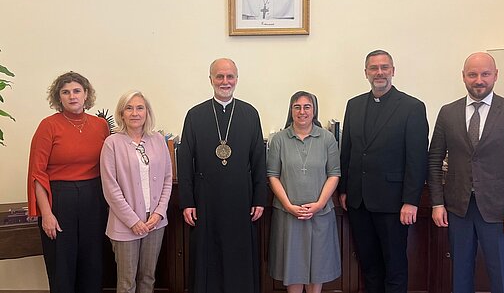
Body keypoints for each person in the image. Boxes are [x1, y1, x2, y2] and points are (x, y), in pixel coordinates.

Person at [428, 52, 504, 293]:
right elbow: (434, 160)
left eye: (485, 74)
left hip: (500, 213)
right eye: (473, 74)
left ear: (495, 75)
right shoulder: (448, 113)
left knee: (501, 277)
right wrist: (437, 203)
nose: (479, 80)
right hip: (458, 210)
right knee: (460, 275)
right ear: (464, 77)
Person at [338, 50, 429, 293]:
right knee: (369, 265)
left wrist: (411, 201)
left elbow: (417, 159)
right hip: (359, 202)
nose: (379, 73)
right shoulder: (354, 105)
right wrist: (345, 189)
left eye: (384, 67)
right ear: (366, 72)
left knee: (395, 266)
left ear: (393, 71)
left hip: (394, 204)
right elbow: (347, 150)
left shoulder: (412, 107)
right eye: (374, 68)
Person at [177, 58, 267, 293]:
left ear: (236, 79)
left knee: (239, 255)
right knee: (208, 257)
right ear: (210, 79)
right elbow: (185, 160)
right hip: (206, 200)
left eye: (230, 77)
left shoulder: (249, 113)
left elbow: (259, 159)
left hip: (241, 199)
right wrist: (187, 201)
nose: (225, 82)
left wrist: (259, 198)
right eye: (219, 76)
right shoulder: (195, 115)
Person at [27, 71, 110, 293]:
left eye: (76, 91)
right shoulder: (48, 126)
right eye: (65, 92)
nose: (72, 96)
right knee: (61, 267)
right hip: (59, 201)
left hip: (94, 199)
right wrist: (46, 214)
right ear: (58, 97)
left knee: (92, 264)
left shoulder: (101, 126)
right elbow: (37, 173)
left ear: (86, 95)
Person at [267, 91, 341, 293]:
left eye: (307, 107)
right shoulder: (279, 140)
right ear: (291, 111)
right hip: (288, 213)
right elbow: (273, 175)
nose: (302, 112)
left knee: (318, 266)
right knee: (293, 266)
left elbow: (334, 174)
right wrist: (289, 206)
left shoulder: (327, 139)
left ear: (314, 110)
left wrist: (318, 204)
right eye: (297, 107)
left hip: (320, 213)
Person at [100, 91, 173, 293]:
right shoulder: (112, 143)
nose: (135, 113)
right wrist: (133, 221)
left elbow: (167, 178)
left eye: (140, 108)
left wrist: (159, 213)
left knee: (148, 278)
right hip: (125, 224)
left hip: (155, 223)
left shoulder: (158, 139)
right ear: (121, 114)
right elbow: (110, 188)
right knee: (126, 282)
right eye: (129, 108)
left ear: (147, 112)